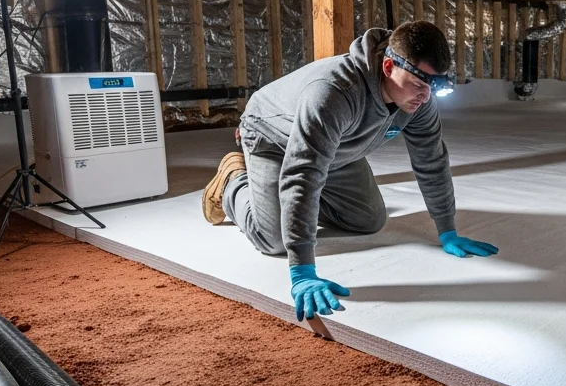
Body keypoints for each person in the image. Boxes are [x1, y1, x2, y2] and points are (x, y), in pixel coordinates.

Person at [202, 20, 498, 322]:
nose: (424, 96)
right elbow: (303, 176)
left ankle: (288, 207)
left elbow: (431, 160)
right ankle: (233, 182)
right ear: (387, 68)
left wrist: (447, 228)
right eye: (419, 84)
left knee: (369, 220)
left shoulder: (418, 102)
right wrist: (303, 269)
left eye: (432, 87)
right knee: (275, 241)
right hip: (273, 139)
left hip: (334, 149)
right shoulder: (333, 93)